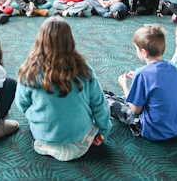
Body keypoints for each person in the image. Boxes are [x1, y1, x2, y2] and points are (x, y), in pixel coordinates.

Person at [15, 17, 112, 161]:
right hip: (79, 132)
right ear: (69, 40)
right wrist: (103, 131)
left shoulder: (28, 70)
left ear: (40, 40)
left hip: (43, 133)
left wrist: (36, 116)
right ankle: (74, 145)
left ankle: (48, 145)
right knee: (88, 125)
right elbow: (99, 104)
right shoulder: (84, 69)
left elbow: (22, 104)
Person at [106, 24, 177, 141]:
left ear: (144, 52)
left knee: (105, 99)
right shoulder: (172, 66)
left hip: (153, 130)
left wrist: (124, 85)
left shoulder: (142, 73)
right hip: (176, 126)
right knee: (125, 98)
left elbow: (136, 109)